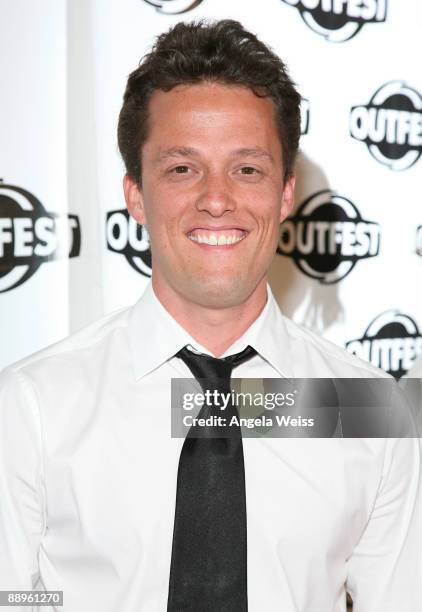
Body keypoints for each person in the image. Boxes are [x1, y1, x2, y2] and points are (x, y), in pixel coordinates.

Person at [0, 19, 420, 612]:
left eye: (247, 168)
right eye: (182, 168)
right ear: (136, 195)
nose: (217, 199)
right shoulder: (32, 406)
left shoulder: (365, 408)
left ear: (284, 194)